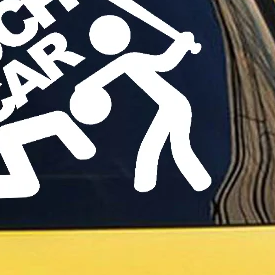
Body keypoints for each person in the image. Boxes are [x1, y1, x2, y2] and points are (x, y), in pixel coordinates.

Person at [69, 13, 211, 193]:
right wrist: (183, 43)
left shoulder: (131, 59)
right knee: (166, 147)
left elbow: (165, 62)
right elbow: (101, 77)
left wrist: (182, 44)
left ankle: (157, 186)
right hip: (171, 105)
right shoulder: (128, 60)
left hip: (174, 105)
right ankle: (190, 184)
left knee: (164, 148)